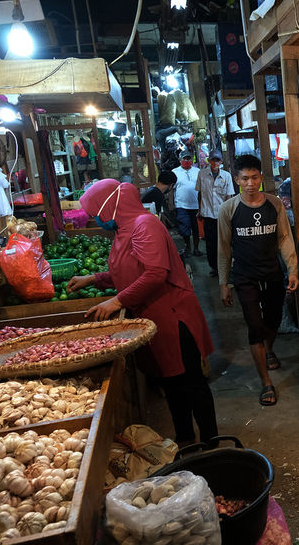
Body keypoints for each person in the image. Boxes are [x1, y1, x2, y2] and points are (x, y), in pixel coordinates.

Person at [69, 180, 218, 444]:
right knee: (172, 384)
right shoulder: (123, 230)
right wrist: (94, 278)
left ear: (111, 207)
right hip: (153, 317)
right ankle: (185, 440)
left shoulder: (144, 225)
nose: (96, 219)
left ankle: (210, 441)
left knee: (191, 383)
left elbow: (155, 273)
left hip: (173, 317)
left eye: (96, 213)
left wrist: (117, 301)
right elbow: (129, 271)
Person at [217, 154, 298, 407]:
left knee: (272, 321)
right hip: (245, 277)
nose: (250, 183)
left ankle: (269, 348)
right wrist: (224, 283)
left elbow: (284, 238)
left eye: (254, 177)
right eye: (245, 179)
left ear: (261, 178)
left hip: (272, 273)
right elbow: (224, 248)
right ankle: (266, 382)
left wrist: (293, 269)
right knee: (254, 326)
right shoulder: (228, 209)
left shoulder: (274, 205)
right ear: (236, 180)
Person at [196, 150, 235, 277]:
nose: (215, 163)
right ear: (209, 161)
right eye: (213, 160)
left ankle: (226, 267)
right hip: (207, 214)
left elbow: (229, 196)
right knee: (211, 243)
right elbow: (200, 193)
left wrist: (229, 215)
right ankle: (214, 267)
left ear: (221, 162)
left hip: (222, 215)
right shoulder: (202, 174)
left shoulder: (226, 176)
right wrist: (200, 210)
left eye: (217, 160)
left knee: (224, 242)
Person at [171, 151, 202, 257]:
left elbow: (202, 189)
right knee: (185, 228)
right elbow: (171, 189)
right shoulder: (174, 172)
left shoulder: (198, 171)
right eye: (185, 159)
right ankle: (188, 247)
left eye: (189, 159)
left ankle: (196, 249)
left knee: (196, 228)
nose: (187, 161)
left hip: (196, 205)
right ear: (180, 160)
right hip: (181, 205)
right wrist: (172, 204)